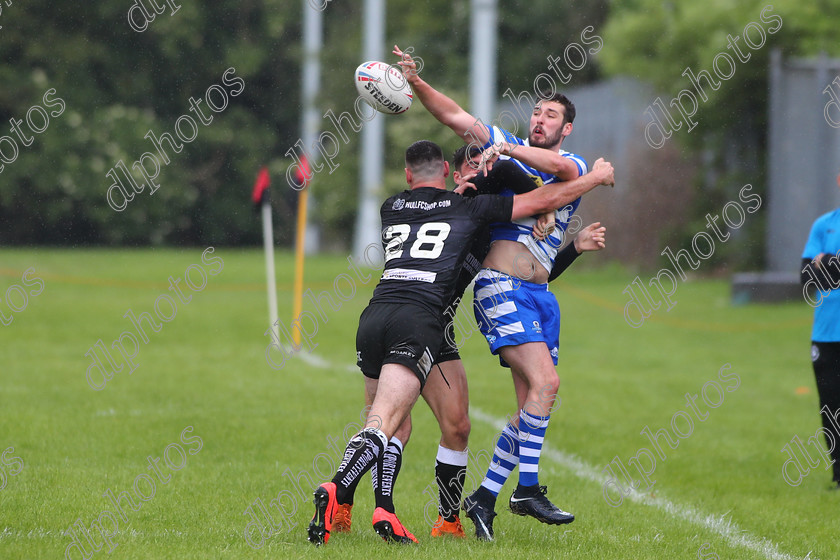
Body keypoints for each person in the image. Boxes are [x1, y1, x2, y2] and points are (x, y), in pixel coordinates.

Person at [306, 139, 614, 546]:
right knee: (389, 422)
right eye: (468, 168)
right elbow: (538, 189)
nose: (476, 172)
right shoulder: (471, 210)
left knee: (454, 424)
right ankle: (346, 493)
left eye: (480, 168)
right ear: (452, 174)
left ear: (408, 175)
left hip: (403, 320)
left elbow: (532, 244)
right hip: (418, 321)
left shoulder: (400, 207)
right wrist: (576, 187)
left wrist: (552, 222)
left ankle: (439, 517)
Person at [394, 45, 602, 540]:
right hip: (501, 286)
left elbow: (567, 177)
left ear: (565, 128)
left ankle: (487, 497)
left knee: (535, 400)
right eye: (536, 111)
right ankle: (524, 488)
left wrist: (573, 246)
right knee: (546, 386)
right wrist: (417, 84)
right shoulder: (507, 147)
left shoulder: (565, 162)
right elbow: (456, 117)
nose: (540, 119)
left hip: (538, 296)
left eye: (551, 115)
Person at [800, 171, 840, 488]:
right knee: (829, 404)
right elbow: (805, 278)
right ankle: (838, 473)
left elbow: (823, 271)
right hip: (825, 333)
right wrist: (825, 266)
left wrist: (825, 262)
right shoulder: (822, 224)